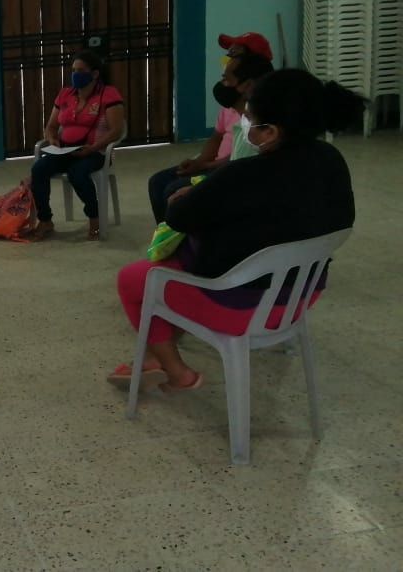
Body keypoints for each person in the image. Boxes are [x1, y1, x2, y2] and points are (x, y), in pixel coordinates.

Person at [109, 69, 364, 391]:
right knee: (170, 266)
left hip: (239, 305)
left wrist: (191, 195)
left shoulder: (244, 174)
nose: (245, 124)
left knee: (134, 278)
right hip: (300, 297)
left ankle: (177, 372)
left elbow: (177, 216)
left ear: (270, 132)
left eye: (250, 119)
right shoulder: (331, 160)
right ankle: (151, 357)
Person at [147, 48, 274, 222]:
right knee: (159, 183)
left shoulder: (258, 130)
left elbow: (240, 176)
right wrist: (200, 162)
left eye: (226, 79)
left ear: (248, 86)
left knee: (176, 196)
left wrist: (203, 180)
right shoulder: (242, 122)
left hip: (233, 188)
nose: (221, 84)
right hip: (223, 172)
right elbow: (221, 144)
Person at [23, 51, 125, 241]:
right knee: (39, 169)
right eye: (73, 70)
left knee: (77, 173)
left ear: (95, 74)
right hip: (65, 150)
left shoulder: (108, 94)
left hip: (96, 152)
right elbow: (51, 126)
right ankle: (45, 220)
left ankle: (94, 217)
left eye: (81, 70)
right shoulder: (65, 94)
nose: (76, 74)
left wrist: (92, 148)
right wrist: (52, 139)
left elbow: (116, 131)